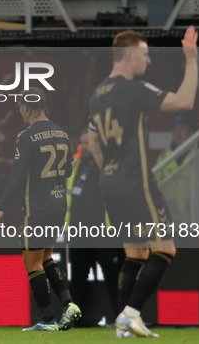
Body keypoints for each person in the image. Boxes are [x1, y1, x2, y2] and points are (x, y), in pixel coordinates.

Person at [88, 27, 198, 338]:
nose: (148, 60)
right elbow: (184, 102)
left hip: (109, 182)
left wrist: (110, 171)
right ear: (129, 55)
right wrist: (191, 60)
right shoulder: (132, 88)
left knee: (135, 254)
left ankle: (123, 327)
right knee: (165, 249)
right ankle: (131, 314)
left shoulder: (97, 94)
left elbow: (94, 144)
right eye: (145, 54)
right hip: (136, 182)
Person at [0, 87, 80, 332]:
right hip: (59, 205)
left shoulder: (27, 136)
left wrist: (1, 207)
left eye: (21, 105)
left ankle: (48, 320)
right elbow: (69, 171)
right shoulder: (62, 133)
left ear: (28, 107)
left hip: (37, 208)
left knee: (32, 264)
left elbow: (18, 176)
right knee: (46, 257)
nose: (20, 110)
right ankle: (69, 304)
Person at [67, 128, 124, 326]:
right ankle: (75, 322)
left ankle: (123, 319)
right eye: (82, 142)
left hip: (105, 234)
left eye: (89, 142)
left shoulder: (110, 167)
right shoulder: (74, 167)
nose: (84, 146)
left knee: (114, 279)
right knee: (77, 279)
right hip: (78, 234)